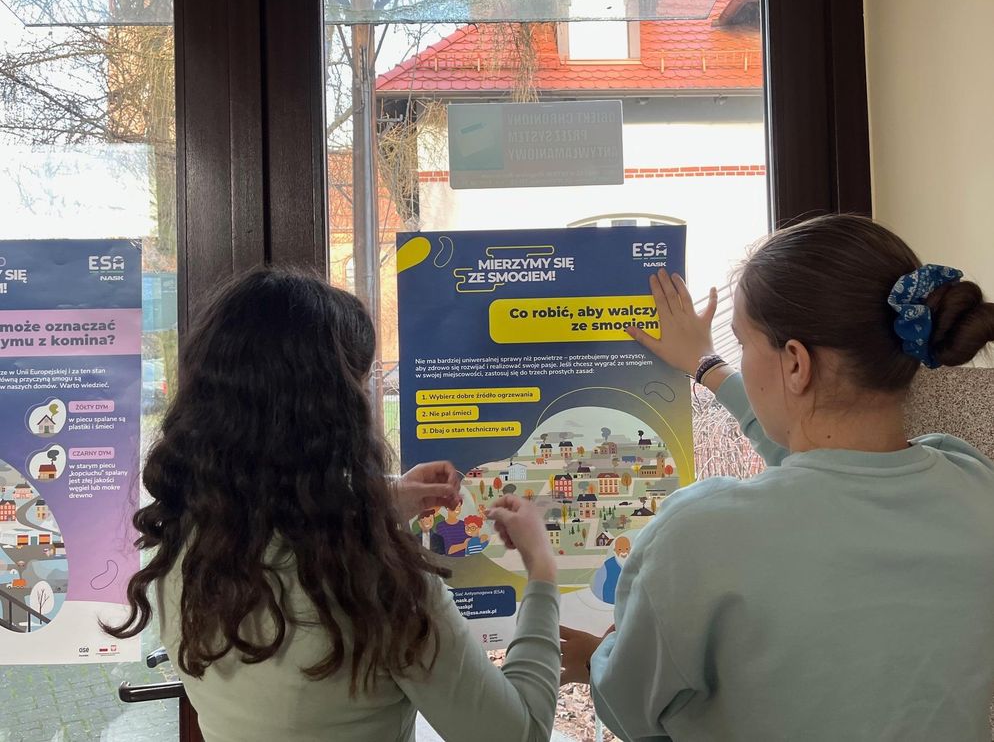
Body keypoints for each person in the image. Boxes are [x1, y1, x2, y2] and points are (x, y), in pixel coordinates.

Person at [560, 215, 994, 741]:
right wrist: (708, 365)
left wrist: (595, 660)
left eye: (743, 342)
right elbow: (833, 469)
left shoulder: (699, 535)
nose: (740, 355)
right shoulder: (973, 485)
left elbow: (631, 709)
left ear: (795, 364)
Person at [103, 269, 561, 742]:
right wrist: (541, 570)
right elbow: (516, 734)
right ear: (334, 416)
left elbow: (274, 504)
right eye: (361, 387)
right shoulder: (372, 581)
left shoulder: (188, 535)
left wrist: (381, 498)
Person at [590, 535, 630, 605]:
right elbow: (598, 586)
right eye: (620, 549)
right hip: (611, 602)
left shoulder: (635, 564)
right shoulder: (607, 565)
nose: (623, 552)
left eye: (626, 549)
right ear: (614, 550)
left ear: (630, 549)